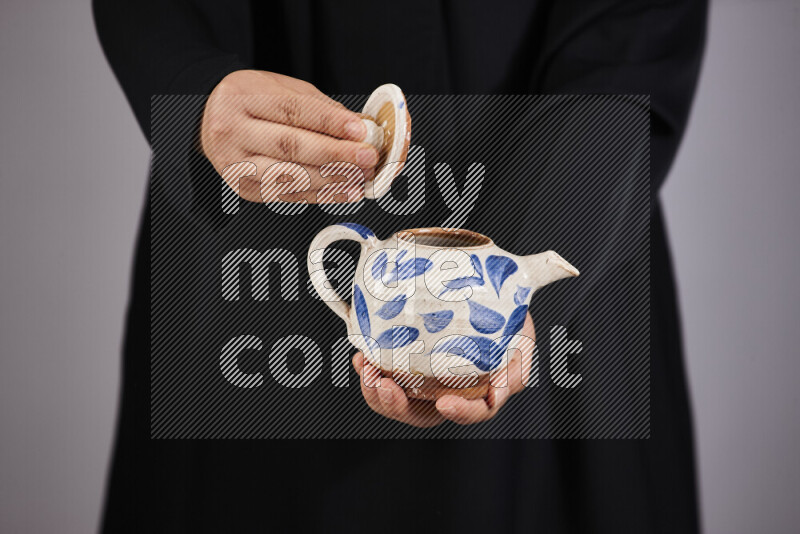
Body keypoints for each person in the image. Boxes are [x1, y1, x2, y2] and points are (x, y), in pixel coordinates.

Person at [95, 0, 707, 531]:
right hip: (244, 242)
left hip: (570, 239)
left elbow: (629, 32)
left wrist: (503, 290)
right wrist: (196, 90)